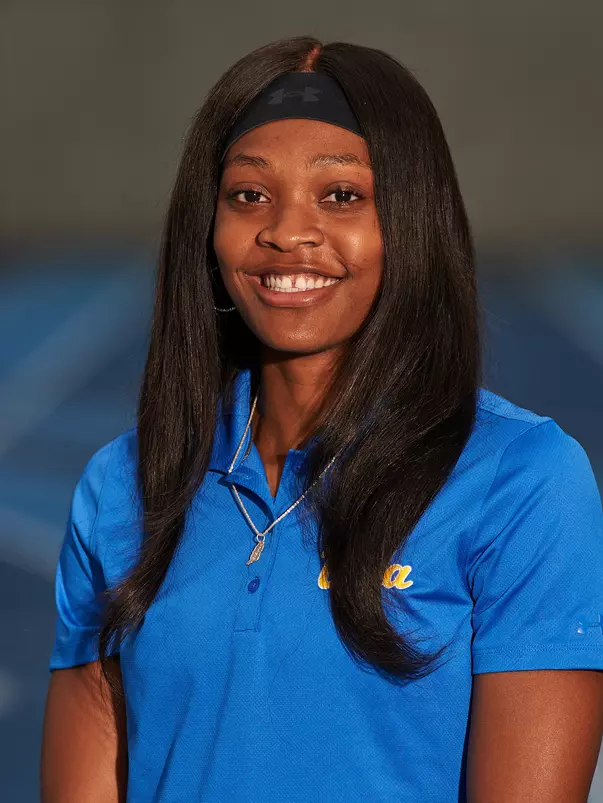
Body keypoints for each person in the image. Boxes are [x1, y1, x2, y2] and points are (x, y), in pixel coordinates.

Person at [41, 35, 603, 803]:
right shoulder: (120, 485)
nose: (286, 231)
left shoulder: (522, 479)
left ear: (410, 219)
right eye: (248, 195)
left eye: (340, 196)